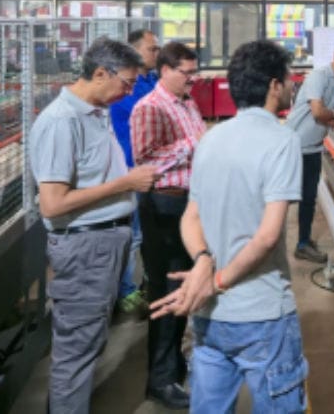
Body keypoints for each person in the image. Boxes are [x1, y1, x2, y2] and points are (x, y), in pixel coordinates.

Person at [149, 40, 307, 412]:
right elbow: (268, 236)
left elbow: (191, 217)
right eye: (287, 79)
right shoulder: (282, 141)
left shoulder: (211, 138)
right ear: (273, 85)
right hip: (262, 313)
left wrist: (203, 262)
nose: (290, 86)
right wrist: (218, 279)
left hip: (210, 316)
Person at [28, 37, 158, 413]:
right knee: (77, 351)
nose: (130, 91)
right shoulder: (61, 122)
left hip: (103, 242)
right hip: (85, 247)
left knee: (89, 343)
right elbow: (52, 204)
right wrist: (126, 183)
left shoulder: (95, 111)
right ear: (100, 73)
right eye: (126, 83)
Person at [129, 42, 207, 409]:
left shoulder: (187, 103)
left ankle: (174, 366)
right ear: (164, 70)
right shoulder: (151, 108)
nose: (192, 79)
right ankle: (159, 380)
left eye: (194, 72)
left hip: (187, 207)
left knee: (183, 291)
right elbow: (145, 161)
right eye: (186, 73)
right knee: (166, 293)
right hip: (163, 206)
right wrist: (193, 144)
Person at [285, 38, 334, 263]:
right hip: (293, 146)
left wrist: (330, 115)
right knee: (284, 197)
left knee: (308, 198)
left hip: (313, 148)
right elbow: (318, 113)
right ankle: (265, 244)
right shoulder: (318, 77)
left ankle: (303, 243)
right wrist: (333, 114)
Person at [110, 28, 160, 314]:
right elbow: (154, 109)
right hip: (130, 170)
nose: (156, 53)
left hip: (148, 169)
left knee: (145, 232)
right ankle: (124, 291)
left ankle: (144, 283)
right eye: (151, 49)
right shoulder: (128, 90)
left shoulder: (149, 80)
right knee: (133, 235)